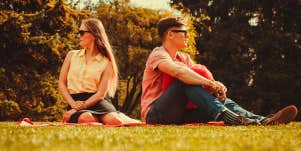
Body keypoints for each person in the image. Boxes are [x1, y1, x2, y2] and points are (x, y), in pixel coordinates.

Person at [141, 16, 298, 125]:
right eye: (185, 33)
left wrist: (213, 89)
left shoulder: (184, 58)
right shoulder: (158, 54)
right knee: (184, 81)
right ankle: (230, 118)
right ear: (170, 34)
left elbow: (196, 82)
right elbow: (180, 74)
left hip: (180, 114)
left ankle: (263, 120)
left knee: (217, 101)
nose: (188, 37)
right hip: (156, 114)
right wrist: (211, 83)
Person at [59, 18, 139, 124]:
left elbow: (101, 94)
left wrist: (80, 107)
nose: (79, 36)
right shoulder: (71, 55)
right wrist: (73, 105)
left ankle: (121, 117)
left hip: (98, 101)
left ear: (94, 34)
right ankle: (106, 119)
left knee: (115, 121)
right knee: (85, 118)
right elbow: (61, 83)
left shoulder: (107, 62)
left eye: (82, 32)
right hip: (75, 101)